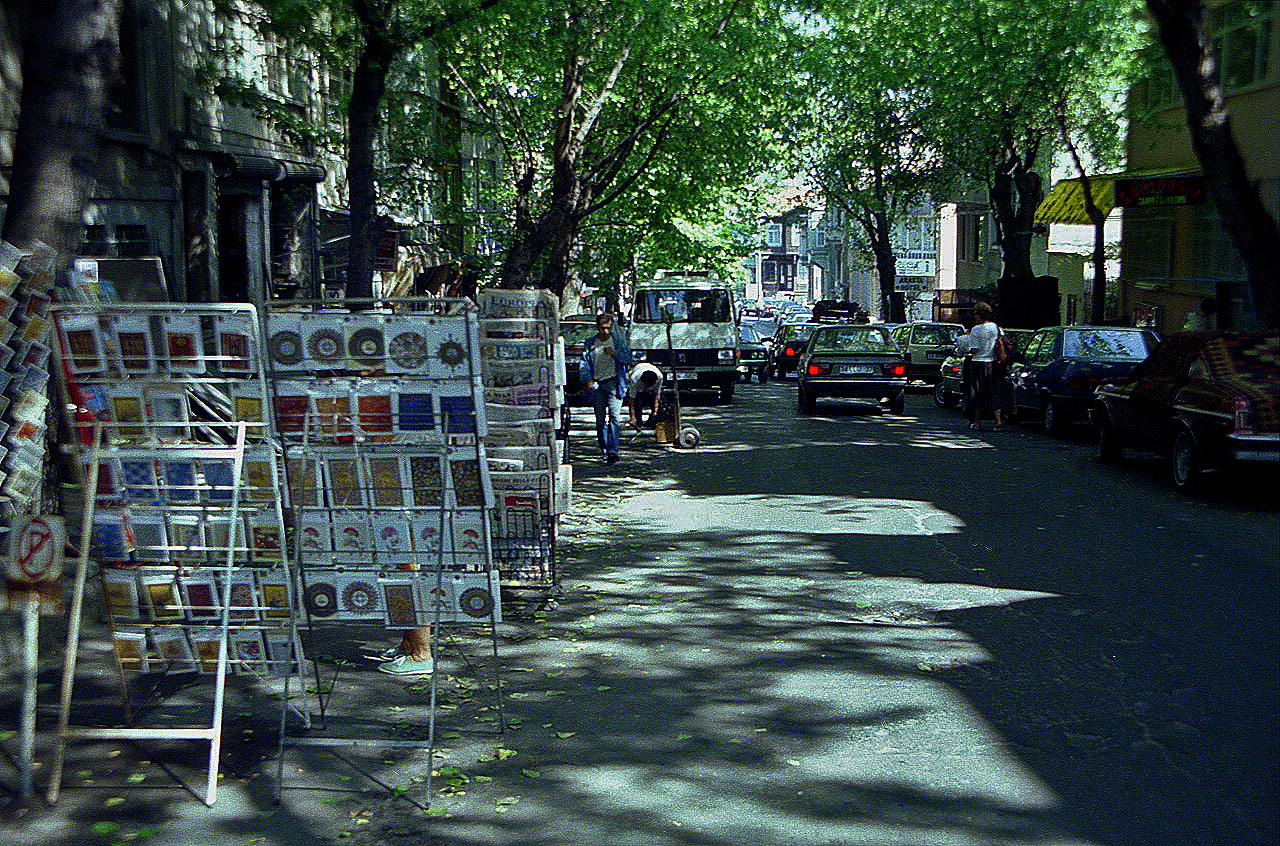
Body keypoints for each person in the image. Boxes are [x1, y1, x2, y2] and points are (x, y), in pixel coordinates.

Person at [581, 312, 633, 465]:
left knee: (615, 418)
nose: (605, 332)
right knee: (599, 420)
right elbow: (584, 363)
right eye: (602, 328)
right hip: (597, 384)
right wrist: (588, 379)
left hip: (614, 383)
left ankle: (613, 450)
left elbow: (628, 359)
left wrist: (615, 354)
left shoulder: (618, 341)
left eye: (608, 328)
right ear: (597, 327)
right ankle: (604, 447)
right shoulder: (590, 343)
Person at [964, 302, 1007, 431]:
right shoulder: (996, 327)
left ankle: (977, 421)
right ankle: (998, 420)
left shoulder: (976, 330)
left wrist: (967, 350)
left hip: (978, 363)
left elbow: (975, 349)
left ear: (979, 315)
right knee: (995, 391)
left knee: (977, 392)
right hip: (993, 363)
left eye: (976, 313)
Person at [627, 361, 664, 428]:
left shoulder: (660, 377)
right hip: (638, 374)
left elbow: (657, 395)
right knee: (638, 402)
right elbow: (631, 400)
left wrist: (655, 411)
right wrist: (632, 417)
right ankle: (638, 423)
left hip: (650, 374)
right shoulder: (634, 378)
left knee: (660, 406)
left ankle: (652, 422)